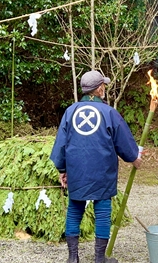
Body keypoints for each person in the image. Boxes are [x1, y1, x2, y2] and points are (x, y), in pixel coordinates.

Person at [50, 70, 142, 263]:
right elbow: (123, 141)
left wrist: (62, 169)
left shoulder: (70, 111)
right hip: (102, 170)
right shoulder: (109, 112)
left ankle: (72, 258)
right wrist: (134, 158)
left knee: (75, 209)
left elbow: (61, 144)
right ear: (100, 88)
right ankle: (100, 259)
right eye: (104, 86)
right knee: (102, 211)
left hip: (77, 170)